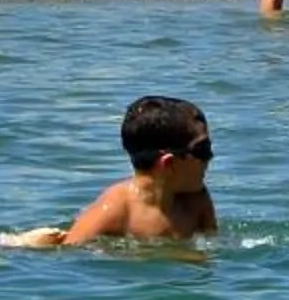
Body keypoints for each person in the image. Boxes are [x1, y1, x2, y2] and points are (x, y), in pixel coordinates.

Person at [33, 94, 218, 245]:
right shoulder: (116, 208)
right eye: (202, 150)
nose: (210, 157)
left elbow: (211, 248)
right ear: (168, 164)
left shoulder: (197, 200)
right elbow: (70, 254)